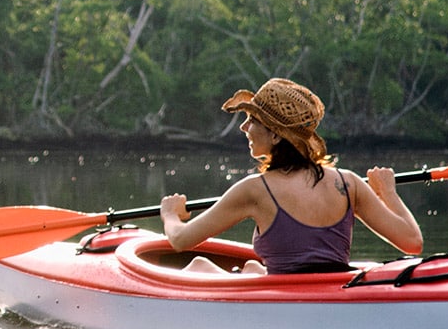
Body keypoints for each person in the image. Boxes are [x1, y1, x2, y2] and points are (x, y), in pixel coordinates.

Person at [159, 78, 423, 274]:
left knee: (199, 264)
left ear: (276, 135)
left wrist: (170, 214)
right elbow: (413, 242)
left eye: (252, 120)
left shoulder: (254, 190)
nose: (244, 127)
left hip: (287, 298)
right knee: (252, 268)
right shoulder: (348, 183)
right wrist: (388, 193)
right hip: (330, 293)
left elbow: (180, 240)